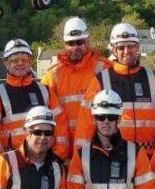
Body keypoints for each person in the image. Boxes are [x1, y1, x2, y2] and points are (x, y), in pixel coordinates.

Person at [76, 22, 155, 157]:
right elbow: (86, 123)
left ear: (138, 47)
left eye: (131, 46)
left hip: (149, 156)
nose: (127, 51)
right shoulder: (101, 80)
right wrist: (82, 158)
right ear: (114, 49)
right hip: (114, 156)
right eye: (121, 47)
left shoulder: (152, 78)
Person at [0, 38, 69, 163]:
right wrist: (0, 167)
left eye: (24, 60)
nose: (20, 63)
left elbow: (60, 125)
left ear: (30, 62)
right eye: (15, 60)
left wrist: (57, 157)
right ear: (6, 63)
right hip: (13, 166)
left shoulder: (44, 91)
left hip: (45, 162)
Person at [41, 16, 111, 146]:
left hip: (96, 144)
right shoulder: (53, 73)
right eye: (70, 43)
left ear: (87, 42)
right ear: (64, 44)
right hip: (63, 145)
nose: (75, 47)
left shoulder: (104, 68)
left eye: (79, 42)